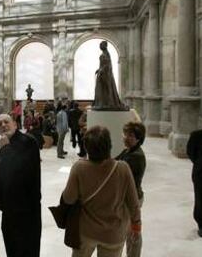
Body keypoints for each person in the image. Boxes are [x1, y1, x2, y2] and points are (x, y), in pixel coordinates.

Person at [61, 126, 141, 257]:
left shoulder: (79, 168)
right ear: (109, 146)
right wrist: (136, 226)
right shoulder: (123, 168)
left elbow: (69, 198)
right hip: (113, 233)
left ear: (87, 147)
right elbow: (133, 203)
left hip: (86, 231)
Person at [0, 114, 41, 257]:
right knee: (12, 249)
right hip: (8, 211)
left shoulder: (28, 141)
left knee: (28, 250)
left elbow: (21, 173)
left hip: (27, 211)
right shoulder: (3, 144)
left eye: (6, 122)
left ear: (15, 124)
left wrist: (5, 149)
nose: (3, 125)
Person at [116, 122, 147, 256]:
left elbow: (117, 172)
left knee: (133, 234)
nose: (126, 137)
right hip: (128, 197)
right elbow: (114, 161)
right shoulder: (128, 150)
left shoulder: (136, 157)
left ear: (138, 138)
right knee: (130, 231)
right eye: (125, 134)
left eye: (130, 135)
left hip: (132, 199)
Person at [93, 41, 127, 111]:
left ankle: (108, 103)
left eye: (101, 45)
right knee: (101, 89)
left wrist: (101, 70)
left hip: (106, 74)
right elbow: (102, 64)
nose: (100, 46)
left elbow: (108, 65)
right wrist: (99, 69)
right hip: (102, 73)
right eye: (100, 45)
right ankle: (103, 103)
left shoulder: (107, 54)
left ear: (105, 46)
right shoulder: (103, 54)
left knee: (107, 88)